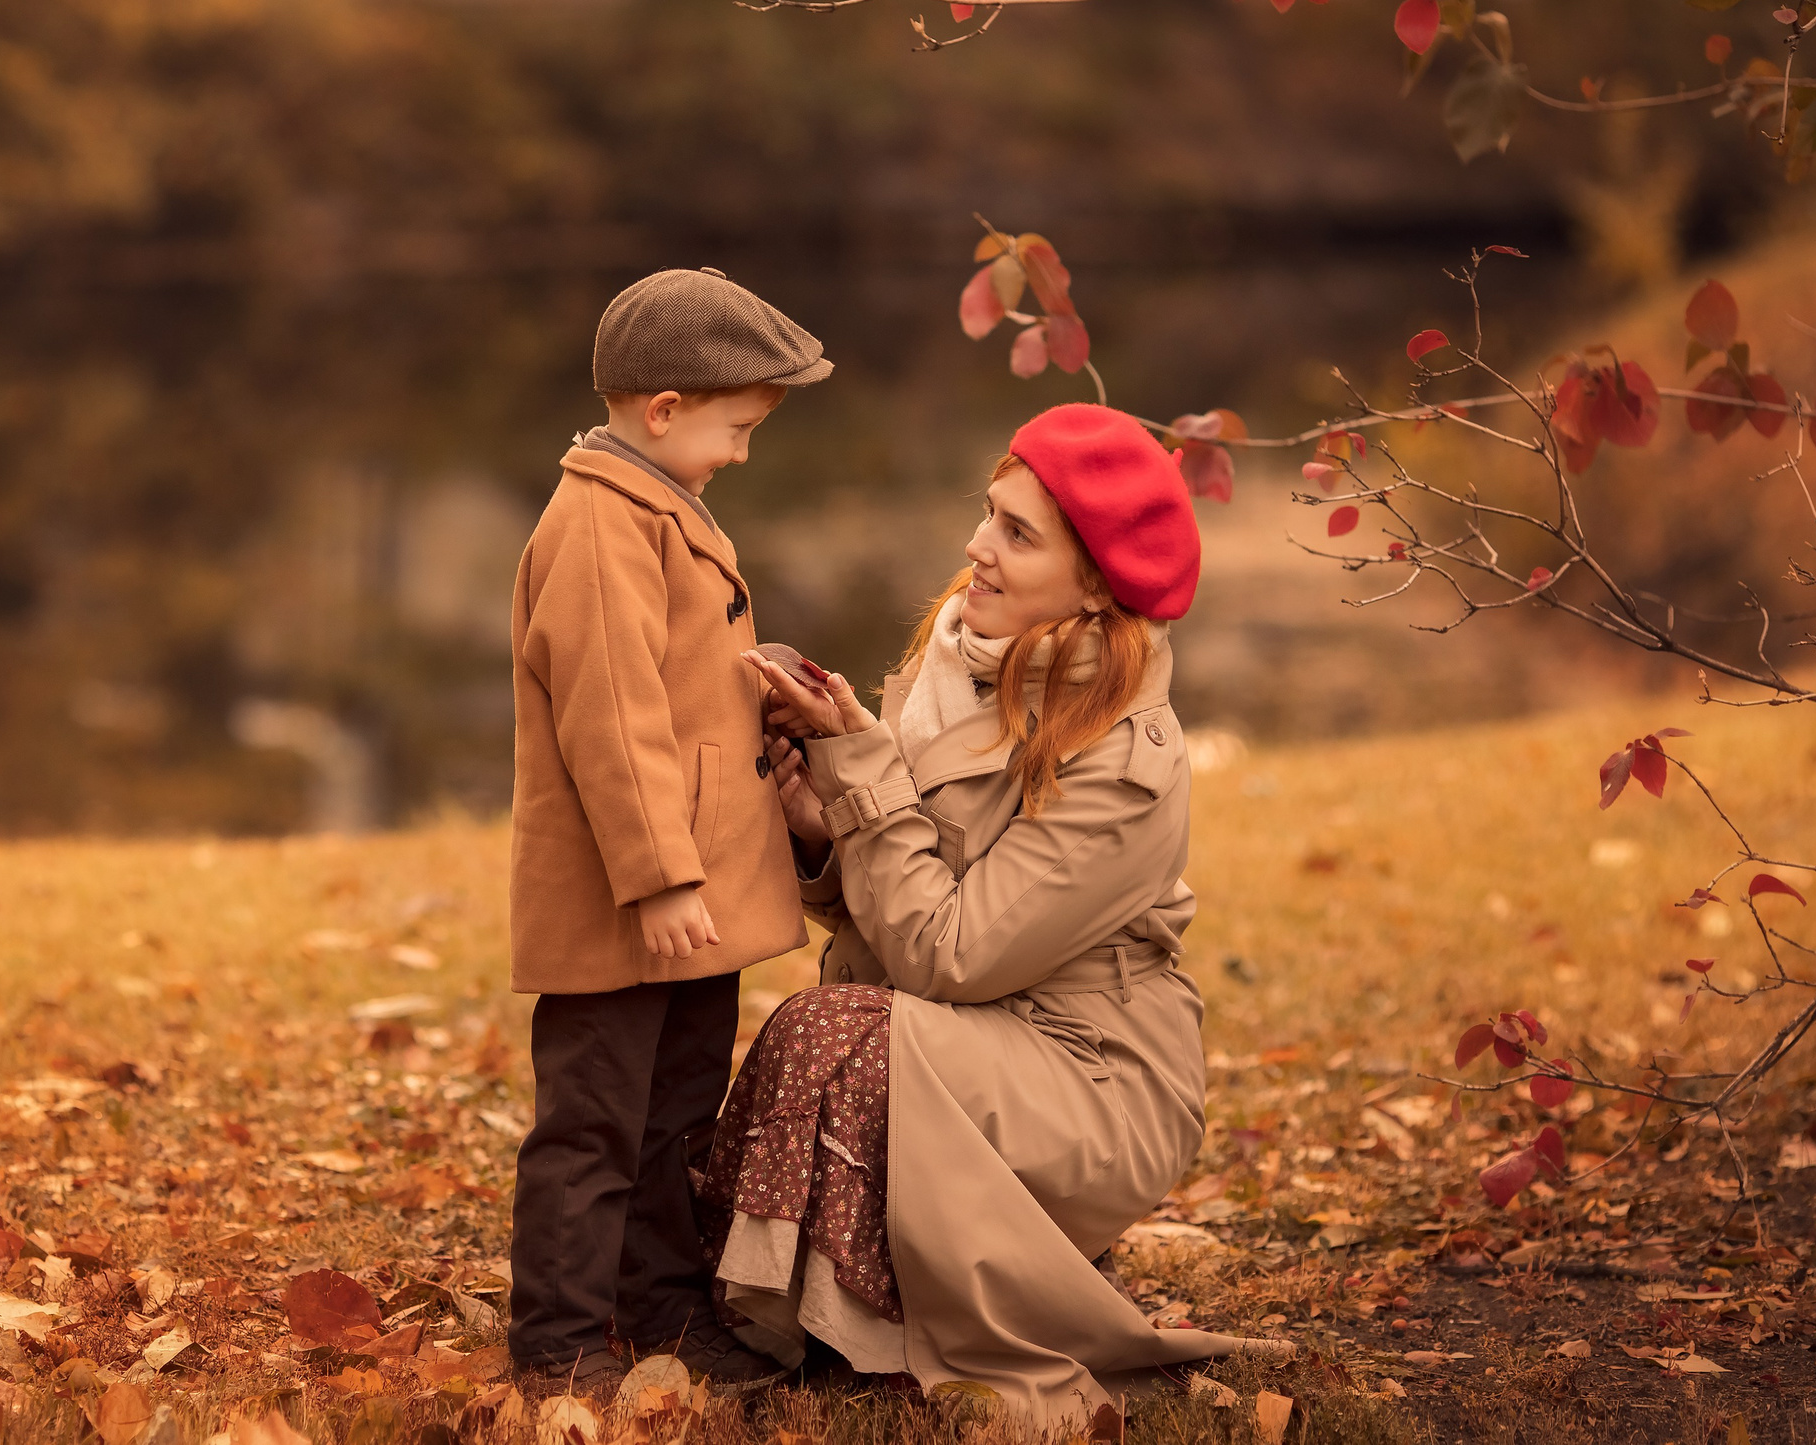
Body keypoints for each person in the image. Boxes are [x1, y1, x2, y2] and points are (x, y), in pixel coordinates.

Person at [713, 403, 1286, 1435]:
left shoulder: (1125, 762)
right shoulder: (960, 663)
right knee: (823, 1029)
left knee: (832, 1032)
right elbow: (902, 887)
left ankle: (877, 1329)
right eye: (989, 514)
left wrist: (858, 768)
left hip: (1088, 1071)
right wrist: (818, 824)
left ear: (1095, 581)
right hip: (975, 1025)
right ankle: (786, 1303)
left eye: (1018, 533)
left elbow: (950, 951)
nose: (976, 546)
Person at [504, 267, 831, 1396]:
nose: (741, 451)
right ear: (664, 410)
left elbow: (675, 677)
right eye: (736, 426)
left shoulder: (659, 504)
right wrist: (657, 879)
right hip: (632, 897)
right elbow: (611, 713)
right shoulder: (597, 524)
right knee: (593, 1121)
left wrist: (754, 680)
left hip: (691, 899)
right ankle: (557, 1343)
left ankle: (660, 1306)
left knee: (672, 1115)